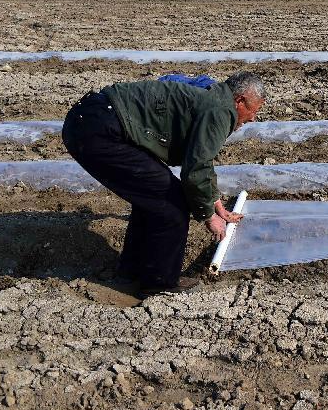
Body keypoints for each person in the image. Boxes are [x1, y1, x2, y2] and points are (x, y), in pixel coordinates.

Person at [61, 71, 266, 297]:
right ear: (240, 101)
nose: (253, 118)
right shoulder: (220, 110)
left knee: (152, 198)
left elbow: (200, 161)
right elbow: (195, 171)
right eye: (254, 111)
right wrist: (208, 215)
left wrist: (214, 200)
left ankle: (131, 273)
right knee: (174, 202)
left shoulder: (214, 97)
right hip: (100, 130)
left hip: (92, 120)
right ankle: (160, 283)